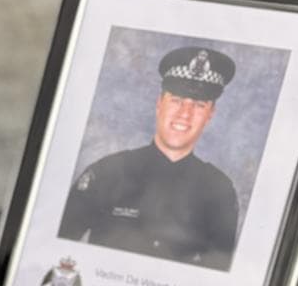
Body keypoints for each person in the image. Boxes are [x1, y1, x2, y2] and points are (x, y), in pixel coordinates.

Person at [58, 46, 239, 270]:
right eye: (176, 100)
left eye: (199, 105)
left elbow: (217, 277)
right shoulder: (106, 173)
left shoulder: (219, 190)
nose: (185, 113)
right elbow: (53, 249)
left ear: (210, 114)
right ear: (159, 103)